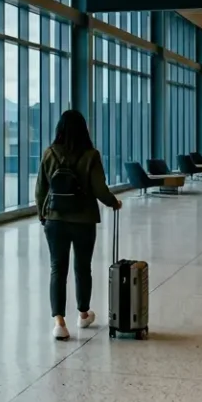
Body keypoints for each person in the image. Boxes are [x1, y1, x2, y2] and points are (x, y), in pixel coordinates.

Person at [34, 109, 122, 341]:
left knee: (57, 268)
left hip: (55, 220)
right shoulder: (91, 155)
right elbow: (98, 188)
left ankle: (59, 323)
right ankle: (83, 314)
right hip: (83, 220)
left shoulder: (49, 153)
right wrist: (114, 202)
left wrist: (43, 216)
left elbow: (41, 189)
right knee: (83, 267)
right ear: (84, 129)